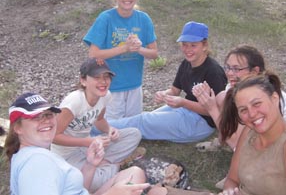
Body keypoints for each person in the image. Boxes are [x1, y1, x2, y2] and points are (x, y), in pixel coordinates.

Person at [4, 92, 162, 195]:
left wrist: (90, 165)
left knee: (135, 172)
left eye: (48, 114)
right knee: (151, 190)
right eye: (35, 117)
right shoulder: (37, 162)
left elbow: (76, 189)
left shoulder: (31, 154)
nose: (45, 120)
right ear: (17, 128)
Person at [95, 21, 227, 143]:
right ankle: (102, 130)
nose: (188, 49)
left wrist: (183, 102)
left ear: (204, 46)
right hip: (185, 110)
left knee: (143, 121)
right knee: (147, 117)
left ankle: (96, 128)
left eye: (193, 45)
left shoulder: (213, 71)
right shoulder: (186, 63)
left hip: (202, 123)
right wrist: (164, 93)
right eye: (185, 45)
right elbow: (175, 90)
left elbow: (216, 111)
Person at [50, 58, 144, 193]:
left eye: (106, 77)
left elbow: (99, 120)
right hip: (67, 155)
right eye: (96, 77)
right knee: (90, 182)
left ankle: (103, 165)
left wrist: (110, 129)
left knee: (134, 134)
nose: (103, 81)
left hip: (89, 146)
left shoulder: (105, 96)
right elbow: (54, 136)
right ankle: (111, 167)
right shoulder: (74, 102)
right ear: (83, 80)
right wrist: (88, 141)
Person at [192, 45, 286, 150]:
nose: (229, 73)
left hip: (279, 150)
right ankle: (221, 141)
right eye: (227, 67)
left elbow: (237, 146)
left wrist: (212, 108)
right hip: (258, 137)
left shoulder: (264, 95)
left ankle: (228, 139)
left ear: (254, 71)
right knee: (221, 98)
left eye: (236, 69)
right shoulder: (235, 87)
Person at [83, 0, 158, 122]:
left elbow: (154, 53)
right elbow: (93, 55)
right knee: (112, 125)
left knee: (134, 122)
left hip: (135, 84)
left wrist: (138, 49)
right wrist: (124, 48)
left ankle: (132, 145)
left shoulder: (144, 19)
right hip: (110, 85)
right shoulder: (105, 18)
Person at [217, 72, 286, 195]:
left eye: (257, 104)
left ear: (275, 99)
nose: (252, 114)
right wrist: (229, 192)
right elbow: (232, 179)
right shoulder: (249, 132)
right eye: (243, 110)